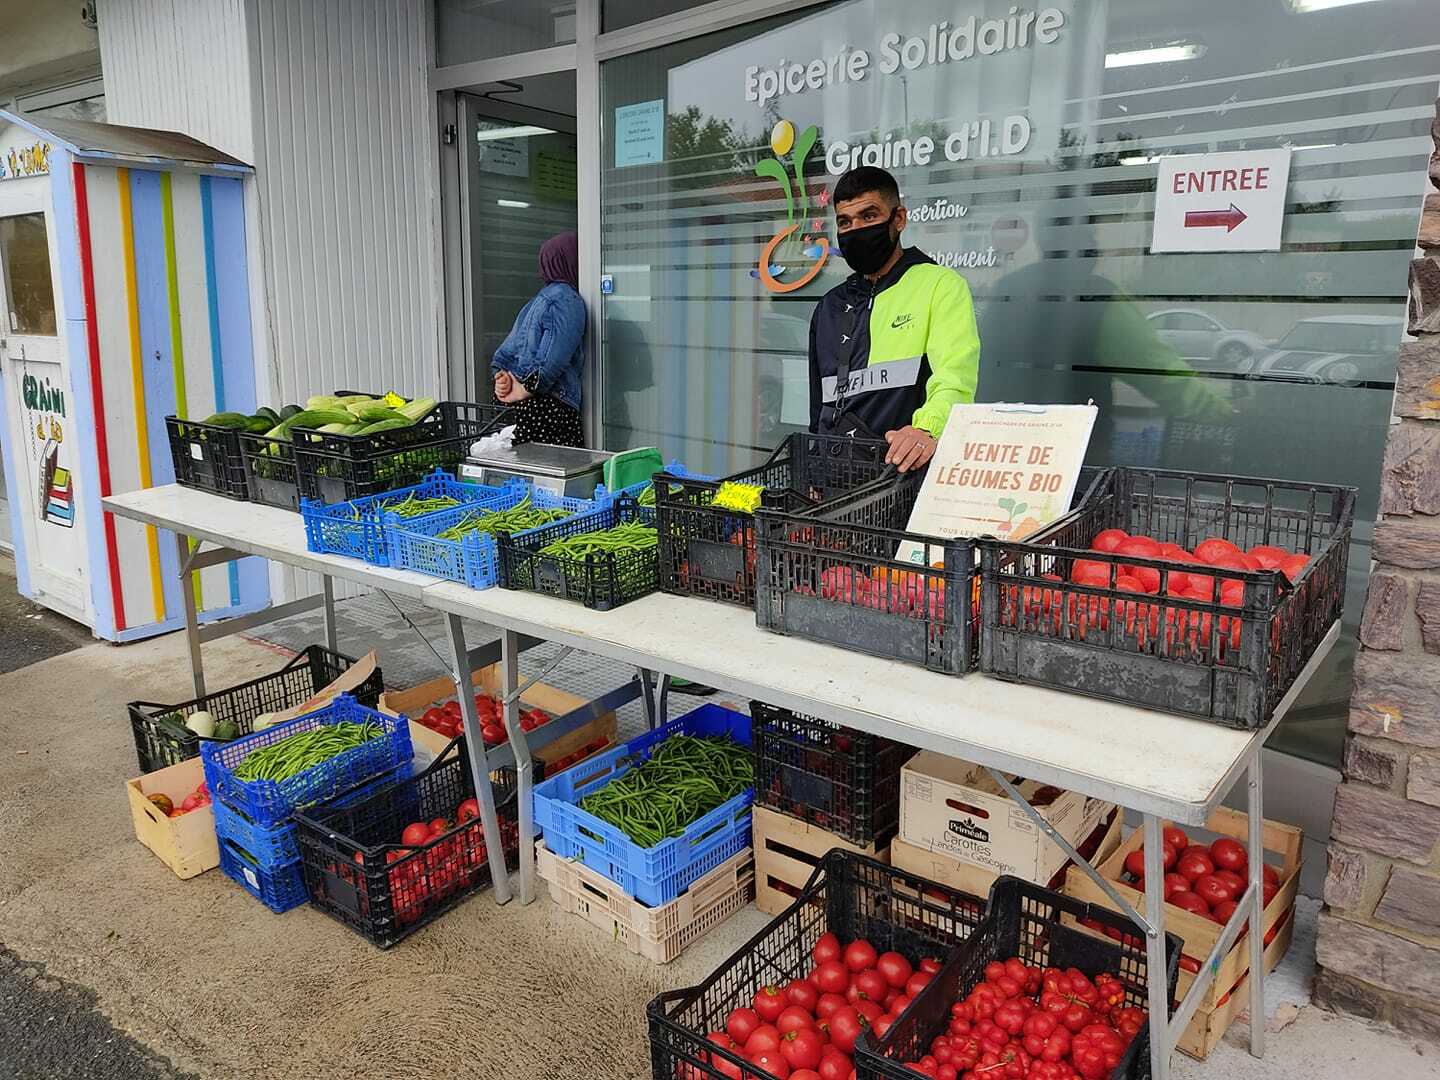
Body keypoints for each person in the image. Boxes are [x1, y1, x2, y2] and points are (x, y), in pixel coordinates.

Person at [809, 166, 981, 472]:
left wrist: (927, 428)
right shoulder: (829, 306)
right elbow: (819, 404)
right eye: (845, 222)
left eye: (870, 216)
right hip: (832, 484)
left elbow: (955, 380)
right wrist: (811, 471)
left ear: (898, 219)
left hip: (901, 477)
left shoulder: (939, 285)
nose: (856, 228)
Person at [492, 231, 586, 447]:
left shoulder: (537, 302)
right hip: (549, 408)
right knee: (557, 475)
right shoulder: (567, 300)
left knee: (525, 477)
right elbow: (553, 358)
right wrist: (525, 389)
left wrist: (503, 380)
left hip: (528, 409)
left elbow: (503, 356)